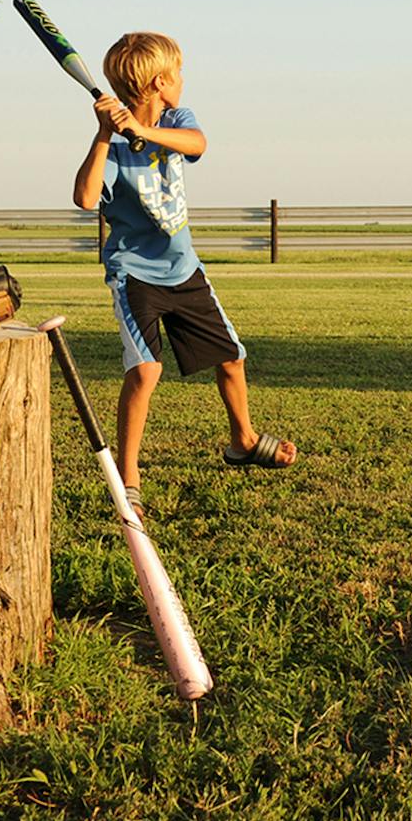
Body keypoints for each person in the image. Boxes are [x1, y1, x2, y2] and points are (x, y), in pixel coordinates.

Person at [71, 31, 296, 519]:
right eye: (178, 73)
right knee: (146, 370)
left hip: (184, 269)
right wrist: (105, 133)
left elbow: (197, 143)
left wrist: (142, 130)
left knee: (232, 358)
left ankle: (242, 440)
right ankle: (128, 480)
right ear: (159, 81)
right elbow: (86, 199)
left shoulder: (176, 120)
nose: (183, 80)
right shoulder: (111, 148)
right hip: (136, 276)